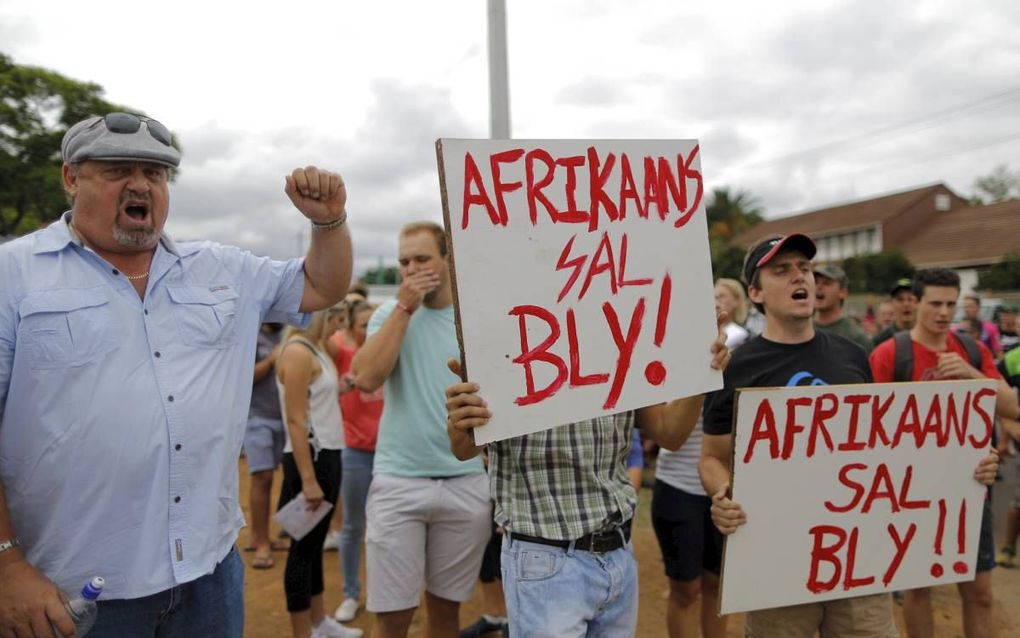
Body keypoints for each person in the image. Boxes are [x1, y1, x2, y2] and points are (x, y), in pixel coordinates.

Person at [0, 113, 352, 637]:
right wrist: (6, 564)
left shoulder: (221, 269)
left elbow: (323, 286)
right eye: (118, 170)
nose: (141, 184)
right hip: (72, 591)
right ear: (71, 178)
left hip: (208, 575)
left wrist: (329, 223)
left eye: (156, 173)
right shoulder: (13, 274)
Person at [700, 235, 1001, 637]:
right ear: (755, 293)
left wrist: (967, 462)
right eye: (782, 270)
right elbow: (712, 456)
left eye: (804, 268)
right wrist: (723, 494)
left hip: (858, 564)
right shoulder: (737, 367)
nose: (799, 277)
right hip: (779, 562)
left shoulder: (853, 356)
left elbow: (890, 447)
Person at [445, 318, 731, 636]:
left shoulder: (620, 338)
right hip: (544, 558)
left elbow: (669, 433)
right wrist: (462, 420)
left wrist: (703, 371)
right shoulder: (505, 334)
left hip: (617, 554)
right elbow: (463, 448)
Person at [351, 221, 491, 638]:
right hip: (400, 480)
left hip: (466, 480)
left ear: (448, 259)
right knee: (392, 616)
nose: (411, 269)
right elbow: (366, 379)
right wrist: (404, 309)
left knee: (446, 612)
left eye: (422, 259)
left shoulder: (474, 319)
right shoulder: (388, 315)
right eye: (404, 262)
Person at [869, 268, 1019, 638]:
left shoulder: (971, 350)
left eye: (951, 304)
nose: (943, 312)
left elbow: (1012, 406)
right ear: (915, 302)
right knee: (918, 590)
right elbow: (869, 425)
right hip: (911, 492)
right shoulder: (891, 353)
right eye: (935, 303)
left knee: (980, 593)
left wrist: (971, 374)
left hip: (970, 487)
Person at [651, 278, 749, 638]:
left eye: (719, 301)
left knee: (717, 586)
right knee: (685, 591)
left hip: (723, 490)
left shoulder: (743, 349)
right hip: (678, 486)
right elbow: (665, 429)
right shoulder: (664, 350)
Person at [276, 307, 361, 638]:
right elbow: (296, 419)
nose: (339, 325)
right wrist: (308, 479)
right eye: (335, 318)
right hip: (311, 459)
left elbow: (315, 400)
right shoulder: (298, 352)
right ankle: (304, 631)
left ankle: (319, 622)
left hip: (326, 453)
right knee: (302, 552)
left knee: (311, 550)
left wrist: (341, 388)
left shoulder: (314, 349)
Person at [330, 300, 383, 624]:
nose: (371, 329)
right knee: (353, 525)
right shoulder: (341, 352)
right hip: (356, 451)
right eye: (364, 324)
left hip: (390, 454)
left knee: (386, 528)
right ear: (350, 327)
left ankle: (383, 594)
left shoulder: (390, 351)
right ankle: (351, 593)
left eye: (375, 322)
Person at [246, 322, 288, 570]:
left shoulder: (288, 333)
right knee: (262, 478)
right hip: (257, 418)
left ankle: (265, 536)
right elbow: (243, 377)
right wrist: (271, 361)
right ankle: (261, 541)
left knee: (282, 478)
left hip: (286, 417)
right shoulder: (251, 334)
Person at [812, 264, 872, 352]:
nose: (819, 287)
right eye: (815, 282)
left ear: (843, 292)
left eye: (826, 283)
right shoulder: (799, 329)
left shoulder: (856, 338)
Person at [872, 278, 917, 347]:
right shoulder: (880, 339)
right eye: (900, 299)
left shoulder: (928, 336)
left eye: (910, 299)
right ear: (892, 303)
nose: (906, 304)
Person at [958, 295, 1003, 360]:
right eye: (965, 307)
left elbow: (999, 353)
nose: (967, 310)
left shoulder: (990, 328)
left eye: (970, 307)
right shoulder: (957, 329)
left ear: (978, 308)